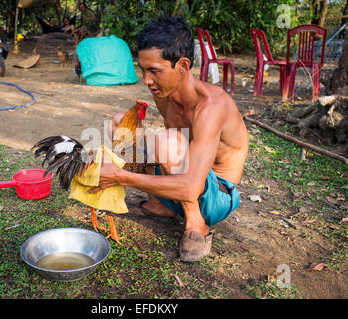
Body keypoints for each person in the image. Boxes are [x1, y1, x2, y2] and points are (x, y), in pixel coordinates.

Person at [90, 16, 249, 262]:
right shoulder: (164, 92)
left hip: (214, 197)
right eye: (143, 69)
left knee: (169, 141)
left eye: (154, 71)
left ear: (183, 66)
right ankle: (159, 205)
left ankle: (196, 224)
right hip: (180, 185)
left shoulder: (212, 106)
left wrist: (120, 175)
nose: (146, 79)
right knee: (119, 122)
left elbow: (190, 185)